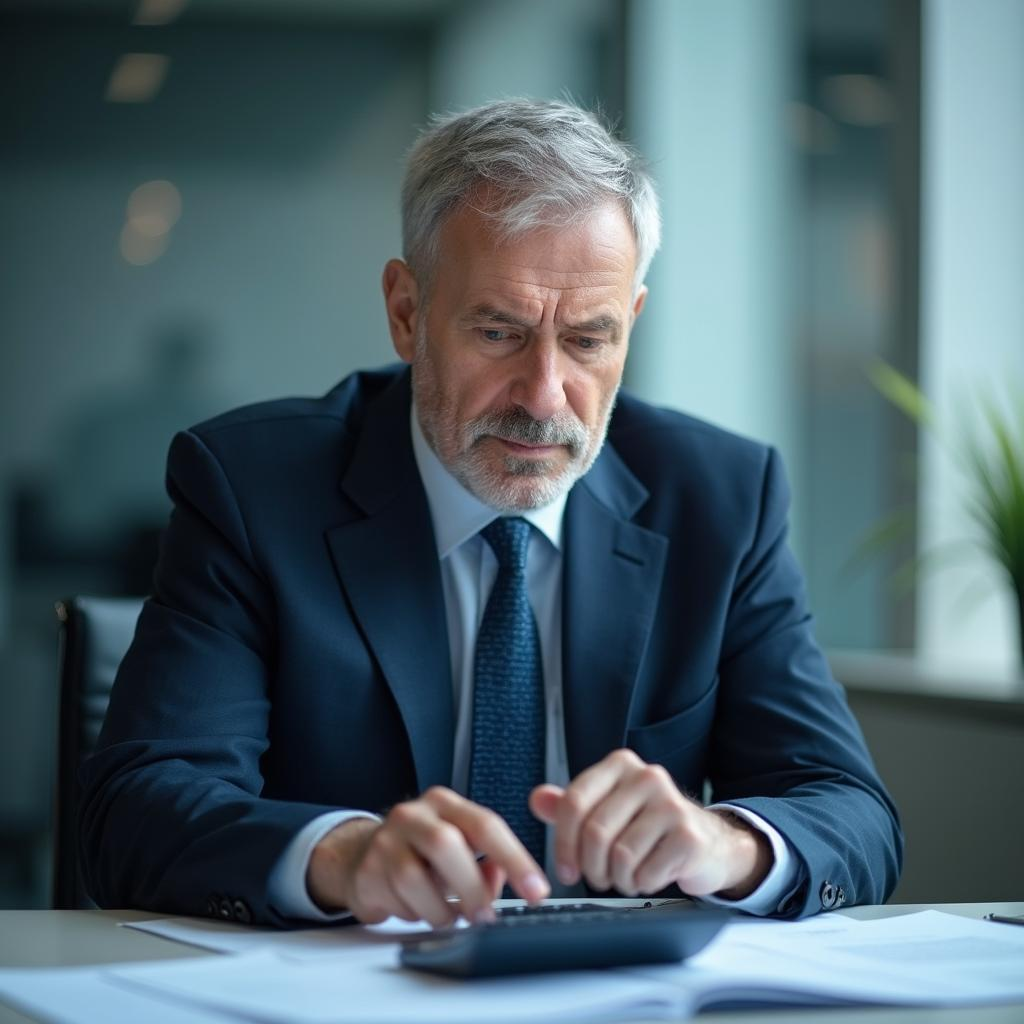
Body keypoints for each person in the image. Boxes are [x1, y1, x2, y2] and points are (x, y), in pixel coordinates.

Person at [79, 99, 902, 929]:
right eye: (500, 332)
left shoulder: (720, 499)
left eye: (588, 339)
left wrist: (724, 843)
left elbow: (852, 814)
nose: (544, 400)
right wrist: (340, 855)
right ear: (407, 312)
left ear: (632, 325)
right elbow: (133, 813)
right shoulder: (254, 488)